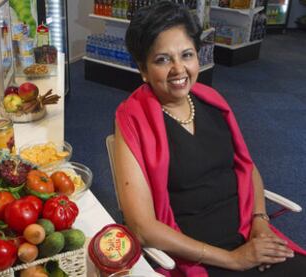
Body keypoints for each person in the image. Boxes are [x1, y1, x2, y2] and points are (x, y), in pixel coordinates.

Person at [113, 1, 306, 276]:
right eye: (162, 59)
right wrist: (233, 259)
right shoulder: (132, 118)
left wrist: (260, 223)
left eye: (187, 55)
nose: (179, 69)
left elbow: (247, 168)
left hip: (248, 235)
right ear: (143, 69)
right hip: (199, 256)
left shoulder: (213, 101)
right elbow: (143, 228)